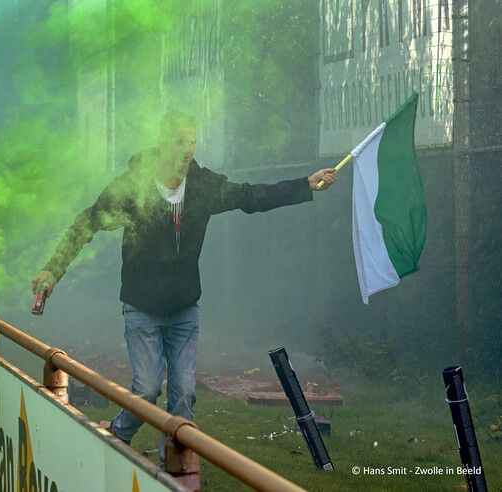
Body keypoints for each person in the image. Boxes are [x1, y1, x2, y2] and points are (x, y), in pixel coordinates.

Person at [32, 111, 336, 460]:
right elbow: (86, 223)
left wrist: (305, 185)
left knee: (184, 394)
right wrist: (53, 271)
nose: (187, 149)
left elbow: (251, 196)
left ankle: (174, 472)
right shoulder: (132, 187)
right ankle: (120, 430)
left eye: (191, 140)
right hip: (141, 306)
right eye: (179, 141)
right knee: (146, 390)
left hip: (183, 309)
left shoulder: (205, 186)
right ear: (163, 143)